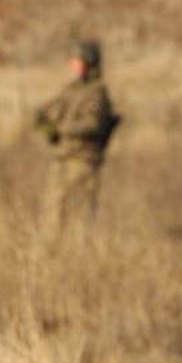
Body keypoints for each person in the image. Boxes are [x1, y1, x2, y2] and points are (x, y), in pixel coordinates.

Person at [35, 40, 120, 240]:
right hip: (62, 158)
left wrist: (61, 129)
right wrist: (43, 122)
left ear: (89, 63)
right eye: (72, 60)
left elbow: (92, 124)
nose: (73, 65)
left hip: (82, 161)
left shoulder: (97, 93)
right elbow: (50, 109)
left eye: (77, 60)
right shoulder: (71, 90)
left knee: (79, 215)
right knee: (51, 213)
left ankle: (78, 254)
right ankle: (50, 251)